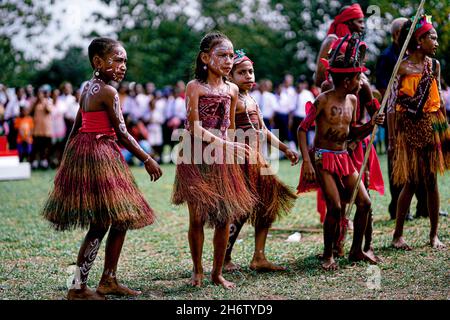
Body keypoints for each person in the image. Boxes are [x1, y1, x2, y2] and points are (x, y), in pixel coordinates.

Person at [41, 38, 162, 300]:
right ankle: (78, 288)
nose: (123, 66)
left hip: (91, 153)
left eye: (124, 61)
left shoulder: (88, 88)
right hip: (99, 155)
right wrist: (147, 158)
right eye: (117, 60)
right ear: (98, 62)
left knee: (120, 217)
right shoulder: (108, 92)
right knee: (102, 222)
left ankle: (108, 280)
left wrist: (67, 159)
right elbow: (121, 132)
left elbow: (76, 126)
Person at [172, 32, 256, 289]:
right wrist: (225, 144)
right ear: (206, 58)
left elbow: (229, 127)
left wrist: (231, 150)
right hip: (196, 156)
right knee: (196, 218)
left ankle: (217, 272)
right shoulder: (194, 87)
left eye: (231, 56)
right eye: (222, 55)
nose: (228, 61)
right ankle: (197, 270)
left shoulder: (232, 89)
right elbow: (194, 128)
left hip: (222, 157)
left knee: (224, 217)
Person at [297, 37, 385, 270]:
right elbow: (302, 128)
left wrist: (372, 123)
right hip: (323, 158)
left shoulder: (353, 100)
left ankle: (357, 250)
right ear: (347, 81)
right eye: (358, 78)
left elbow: (352, 132)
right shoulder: (323, 100)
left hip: (344, 157)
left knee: (364, 203)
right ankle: (328, 255)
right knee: (335, 207)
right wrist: (307, 161)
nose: (361, 82)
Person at [224, 50, 298, 272]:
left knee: (267, 206)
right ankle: (224, 258)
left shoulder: (251, 99)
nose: (248, 76)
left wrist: (285, 148)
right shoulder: (232, 98)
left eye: (250, 71)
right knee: (241, 211)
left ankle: (259, 257)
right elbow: (227, 131)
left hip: (259, 161)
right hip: (242, 162)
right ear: (229, 76)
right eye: (242, 72)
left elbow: (263, 130)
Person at [390, 16, 449, 250]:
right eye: (432, 37)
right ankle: (397, 236)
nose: (436, 41)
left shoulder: (434, 66)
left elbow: (440, 100)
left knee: (431, 180)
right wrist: (393, 137)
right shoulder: (401, 67)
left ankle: (434, 235)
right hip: (410, 127)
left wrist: (445, 130)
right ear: (419, 39)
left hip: (434, 125)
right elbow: (393, 103)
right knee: (412, 181)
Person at [376, 17, 427, 221]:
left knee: (423, 163)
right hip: (395, 117)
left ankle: (424, 206)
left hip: (417, 118)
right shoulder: (387, 57)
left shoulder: (417, 53)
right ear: (397, 34)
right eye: (406, 31)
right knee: (397, 162)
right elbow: (383, 88)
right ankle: (398, 209)